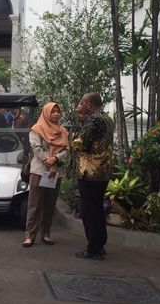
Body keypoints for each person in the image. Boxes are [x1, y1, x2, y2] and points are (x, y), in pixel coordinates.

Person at [72, 92, 114, 260]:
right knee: (97, 209)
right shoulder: (107, 118)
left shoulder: (93, 120)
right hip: (104, 172)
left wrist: (73, 135)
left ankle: (93, 248)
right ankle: (100, 244)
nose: (80, 106)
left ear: (89, 104)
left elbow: (79, 143)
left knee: (89, 211)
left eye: (82, 103)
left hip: (90, 172)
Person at [22, 102, 69, 247]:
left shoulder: (63, 131)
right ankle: (30, 235)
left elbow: (66, 149)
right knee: (34, 204)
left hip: (55, 172)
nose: (56, 114)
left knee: (50, 204)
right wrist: (46, 159)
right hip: (39, 170)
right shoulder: (37, 128)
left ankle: (46, 233)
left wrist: (55, 158)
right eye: (53, 111)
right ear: (46, 113)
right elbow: (35, 146)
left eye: (57, 111)